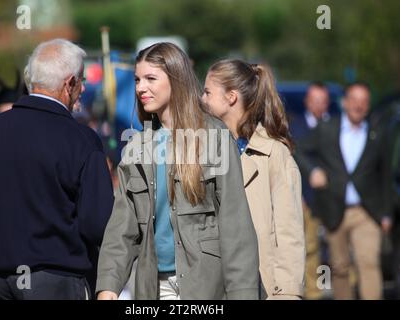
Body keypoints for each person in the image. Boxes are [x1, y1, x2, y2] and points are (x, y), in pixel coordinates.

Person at [0, 39, 114, 300]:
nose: (83, 88)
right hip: (53, 281)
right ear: (69, 83)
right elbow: (98, 223)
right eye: (81, 81)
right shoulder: (81, 139)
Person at [96, 43, 259, 300]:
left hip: (207, 286)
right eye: (137, 79)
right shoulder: (136, 147)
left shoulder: (214, 136)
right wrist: (108, 286)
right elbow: (121, 229)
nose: (140, 88)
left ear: (175, 79)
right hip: (155, 287)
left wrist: (244, 293)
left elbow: (235, 225)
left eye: (150, 79)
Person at [202, 59, 305, 299]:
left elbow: (289, 234)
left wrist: (287, 294)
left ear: (231, 97)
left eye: (207, 92)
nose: (201, 99)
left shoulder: (274, 154)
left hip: (262, 289)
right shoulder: (203, 150)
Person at [295, 82, 392, 300]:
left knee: (368, 263)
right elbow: (299, 149)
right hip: (334, 207)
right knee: (339, 267)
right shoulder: (328, 129)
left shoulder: (377, 133)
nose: (358, 105)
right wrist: (313, 171)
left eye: (364, 101)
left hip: (366, 211)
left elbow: (384, 175)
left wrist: (386, 213)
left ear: (368, 106)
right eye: (354, 100)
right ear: (345, 103)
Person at [290, 82, 331, 299]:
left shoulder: (336, 125)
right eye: (314, 100)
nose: (319, 105)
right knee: (309, 249)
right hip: (305, 199)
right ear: (307, 101)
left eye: (323, 100)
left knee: (334, 254)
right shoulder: (295, 128)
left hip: (333, 201)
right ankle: (310, 293)